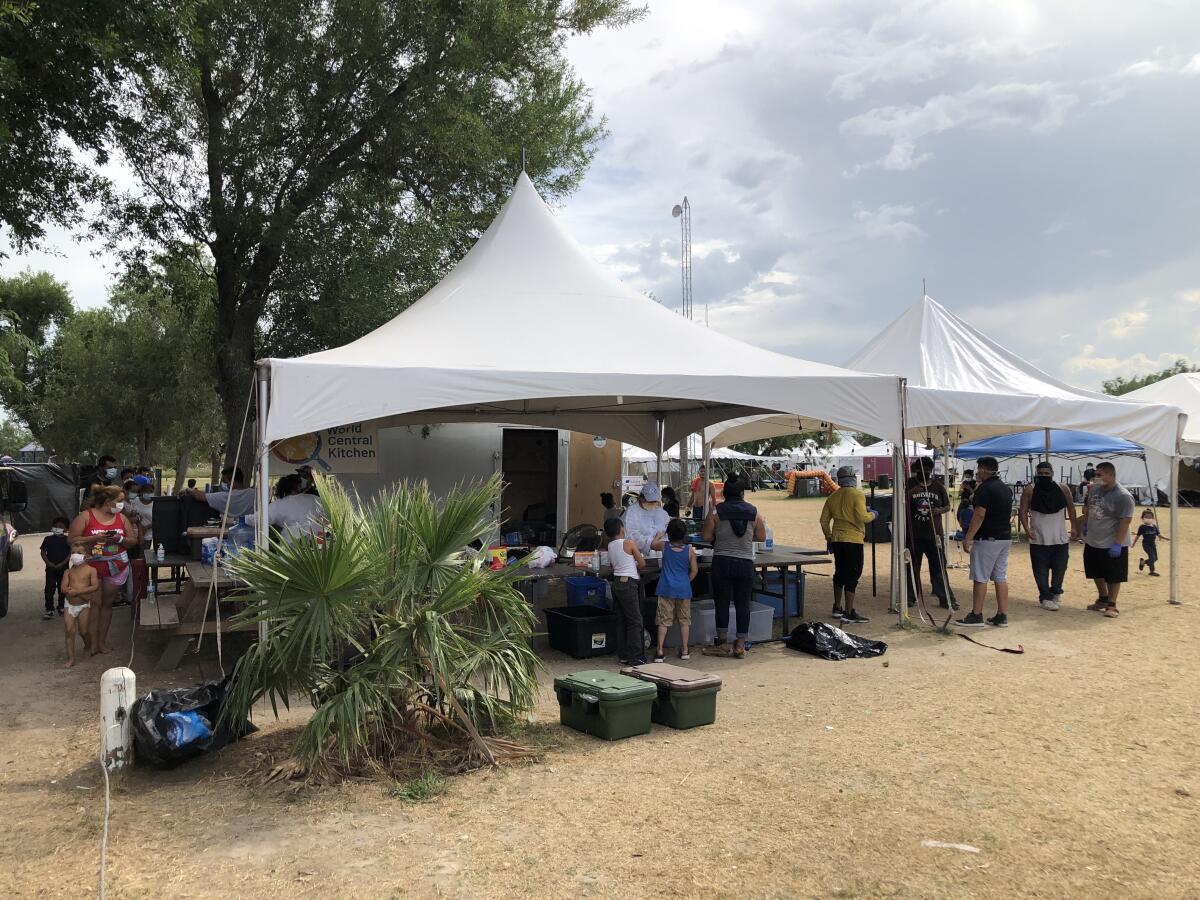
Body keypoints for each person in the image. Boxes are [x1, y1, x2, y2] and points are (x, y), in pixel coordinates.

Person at [69, 485, 138, 654]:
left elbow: (132, 541)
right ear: (108, 502)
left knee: (107, 604)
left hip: (116, 566)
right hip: (91, 566)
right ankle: (91, 642)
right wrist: (94, 538)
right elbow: (71, 540)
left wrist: (119, 538)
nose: (122, 504)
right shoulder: (85, 516)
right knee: (95, 604)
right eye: (120, 501)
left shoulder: (122, 519)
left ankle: (101, 642)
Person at [702, 475, 766, 657]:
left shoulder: (717, 511)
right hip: (745, 562)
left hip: (722, 561)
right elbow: (761, 537)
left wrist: (720, 536)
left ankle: (722, 642)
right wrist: (746, 539)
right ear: (742, 492)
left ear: (725, 493)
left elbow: (706, 536)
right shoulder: (754, 512)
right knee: (743, 604)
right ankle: (740, 644)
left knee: (722, 602)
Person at [957, 456, 1013, 628]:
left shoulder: (985, 489)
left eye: (978, 469)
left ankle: (976, 614)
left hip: (987, 538)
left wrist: (968, 537)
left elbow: (979, 514)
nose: (976, 473)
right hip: (1004, 537)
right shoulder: (1005, 488)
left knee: (980, 576)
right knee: (1000, 576)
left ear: (983, 469)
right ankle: (1002, 614)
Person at [1019, 460, 1080, 610]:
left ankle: (1055, 592)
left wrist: (1073, 527)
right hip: (1038, 538)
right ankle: (1045, 597)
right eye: (1040, 474)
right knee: (1040, 571)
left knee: (1060, 569)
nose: (1044, 476)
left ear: (1052, 473)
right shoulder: (1030, 490)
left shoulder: (1063, 488)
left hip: (1059, 538)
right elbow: (1022, 511)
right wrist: (1027, 530)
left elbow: (1071, 508)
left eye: (1047, 473)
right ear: (1036, 474)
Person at [819, 465, 876, 625]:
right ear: (852, 478)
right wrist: (873, 514)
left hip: (837, 538)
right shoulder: (857, 494)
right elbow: (862, 517)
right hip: (853, 539)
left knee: (840, 572)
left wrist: (829, 537)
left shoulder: (832, 497)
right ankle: (849, 611)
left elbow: (824, 521)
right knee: (853, 574)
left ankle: (837, 606)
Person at [906, 457, 958, 611]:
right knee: (912, 567)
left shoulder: (938, 486)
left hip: (934, 534)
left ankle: (945, 598)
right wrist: (910, 494)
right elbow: (898, 504)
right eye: (922, 469)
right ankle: (910, 597)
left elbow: (947, 506)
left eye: (928, 469)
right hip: (913, 534)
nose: (925, 472)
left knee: (939, 567)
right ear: (916, 470)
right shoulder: (908, 484)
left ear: (931, 470)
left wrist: (938, 510)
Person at [1083, 462, 1135, 618]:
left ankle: (1112, 605)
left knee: (1113, 574)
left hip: (1112, 541)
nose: (1096, 478)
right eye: (1096, 475)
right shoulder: (1094, 490)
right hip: (1093, 539)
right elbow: (1089, 508)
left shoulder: (1123, 496)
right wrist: (1085, 525)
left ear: (1111, 475)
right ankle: (1103, 598)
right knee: (1094, 571)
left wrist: (1117, 544)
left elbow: (1125, 521)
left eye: (1100, 475)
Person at [650, 518, 698, 662]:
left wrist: (659, 535)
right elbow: (694, 571)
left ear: (668, 534)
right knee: (684, 621)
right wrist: (685, 581)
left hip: (666, 588)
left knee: (663, 620)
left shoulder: (664, 546)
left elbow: (652, 545)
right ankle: (684, 650)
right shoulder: (690, 550)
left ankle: (659, 651)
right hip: (683, 589)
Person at [604, 518, 646, 665]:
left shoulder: (610, 545)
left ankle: (623, 655)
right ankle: (636, 656)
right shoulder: (628, 543)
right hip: (629, 583)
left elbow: (613, 565)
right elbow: (642, 563)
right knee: (635, 621)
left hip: (616, 582)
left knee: (621, 619)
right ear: (622, 529)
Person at [245, 474, 322, 543]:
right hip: (316, 541)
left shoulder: (278, 505)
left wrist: (241, 519)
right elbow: (329, 514)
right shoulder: (313, 499)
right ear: (298, 486)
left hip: (292, 545)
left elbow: (257, 519)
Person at [60, 545, 98, 668]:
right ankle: (71, 659)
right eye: (73, 552)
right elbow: (63, 588)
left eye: (79, 552)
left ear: (86, 555)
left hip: (84, 605)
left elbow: (95, 586)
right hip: (69, 605)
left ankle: (88, 644)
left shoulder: (91, 570)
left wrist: (78, 592)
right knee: (69, 631)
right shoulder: (68, 571)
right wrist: (70, 591)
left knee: (84, 630)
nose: (75, 555)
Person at [186, 465, 255, 517]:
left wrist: (188, 489)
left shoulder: (226, 497)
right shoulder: (254, 494)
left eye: (225, 482)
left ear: (233, 482)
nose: (224, 484)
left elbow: (199, 496)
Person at [622, 482, 671, 553]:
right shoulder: (631, 512)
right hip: (638, 554)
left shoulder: (661, 512)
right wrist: (651, 543)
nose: (653, 503)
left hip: (661, 552)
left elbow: (667, 529)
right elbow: (630, 535)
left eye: (655, 501)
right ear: (641, 498)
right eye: (650, 501)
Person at [39, 516, 71, 619]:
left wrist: (63, 563)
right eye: (56, 526)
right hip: (50, 569)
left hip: (64, 569)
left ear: (66, 529)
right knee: (49, 589)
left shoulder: (68, 540)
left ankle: (61, 607)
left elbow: (70, 553)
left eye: (61, 526)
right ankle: (49, 609)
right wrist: (48, 563)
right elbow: (43, 552)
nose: (57, 528)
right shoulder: (48, 539)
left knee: (63, 589)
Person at [1132, 508, 1169, 576]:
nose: (1148, 518)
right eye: (1146, 517)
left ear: (1153, 518)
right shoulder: (1142, 527)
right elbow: (1138, 535)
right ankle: (1152, 571)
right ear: (1142, 518)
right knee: (1152, 558)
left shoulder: (1154, 526)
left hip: (1153, 545)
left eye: (1150, 517)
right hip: (1146, 545)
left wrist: (1166, 538)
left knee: (1155, 558)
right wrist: (1133, 544)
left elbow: (1158, 534)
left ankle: (1143, 562)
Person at [126, 475, 155, 548]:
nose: (148, 493)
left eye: (151, 492)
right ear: (141, 492)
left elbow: (159, 520)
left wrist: (146, 527)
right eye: (146, 491)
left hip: (148, 535)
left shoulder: (155, 504)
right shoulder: (134, 501)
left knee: (144, 554)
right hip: (134, 533)